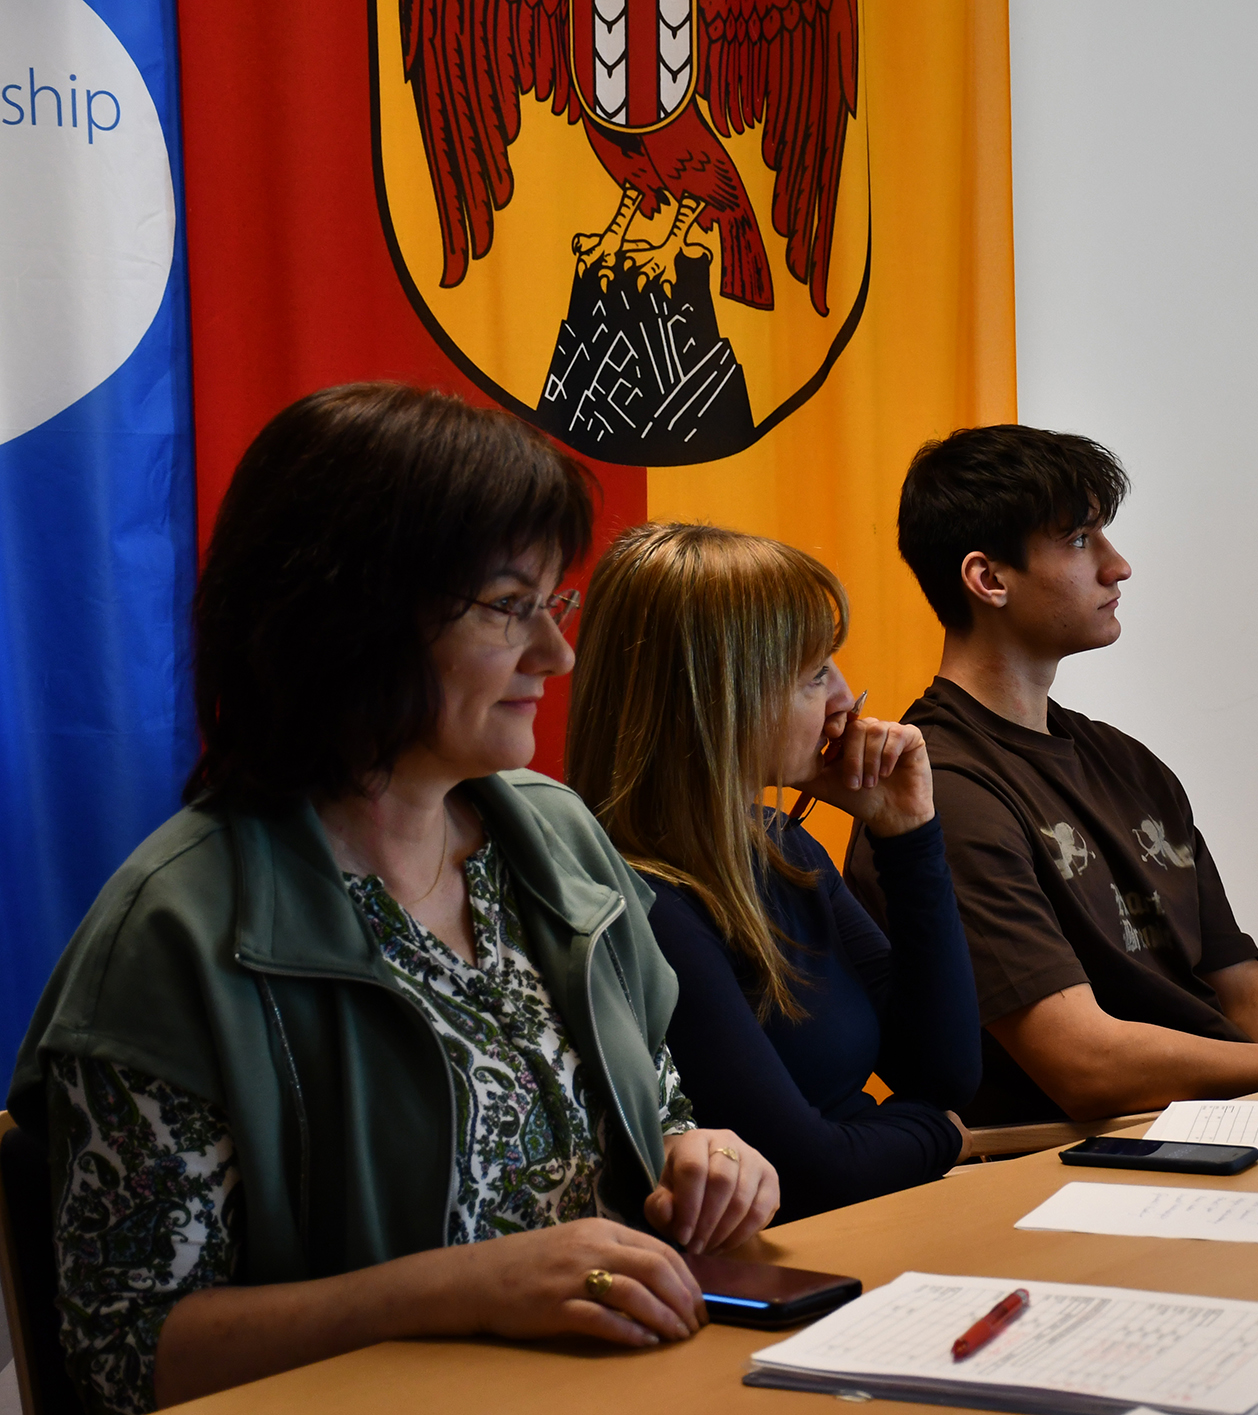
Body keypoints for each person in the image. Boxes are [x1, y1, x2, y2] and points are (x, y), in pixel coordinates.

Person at [6, 385, 780, 1415]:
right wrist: (462, 1288)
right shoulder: (173, 933)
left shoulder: (556, 835)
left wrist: (701, 1155)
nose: (557, 655)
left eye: (553, 605)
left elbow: (661, 1103)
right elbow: (127, 1355)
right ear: (350, 619)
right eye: (507, 607)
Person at [845, 425, 1258, 1128]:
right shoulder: (943, 789)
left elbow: (1242, 990)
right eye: (1079, 540)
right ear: (989, 580)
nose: (1118, 566)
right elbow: (1086, 1066)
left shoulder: (1128, 763)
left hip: (1223, 1126)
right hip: (1084, 1157)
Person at [566, 523, 980, 1218]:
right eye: (814, 673)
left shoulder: (779, 845)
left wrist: (907, 832)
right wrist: (941, 1136)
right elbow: (807, 1170)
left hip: (872, 1217)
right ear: (713, 697)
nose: (845, 698)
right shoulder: (644, 900)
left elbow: (943, 1072)